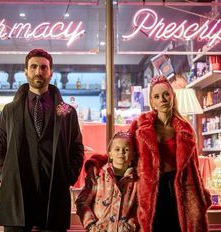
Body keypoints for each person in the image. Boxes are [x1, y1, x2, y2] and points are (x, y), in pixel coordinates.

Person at [85, 75, 212, 232]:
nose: (162, 99)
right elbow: (124, 147)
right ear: (152, 101)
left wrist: (200, 196)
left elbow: (193, 167)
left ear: (172, 96)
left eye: (166, 94)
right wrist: (100, 161)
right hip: (149, 190)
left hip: (178, 190)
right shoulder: (140, 125)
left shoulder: (186, 130)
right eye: (157, 96)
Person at [0, 49, 84, 232]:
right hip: (18, 195)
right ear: (25, 71)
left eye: (43, 67)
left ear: (51, 72)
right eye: (33, 67)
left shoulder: (66, 111)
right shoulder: (10, 110)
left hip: (54, 194)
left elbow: (77, 148)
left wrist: (69, 176)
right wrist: (5, 175)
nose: (38, 71)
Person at [75, 131, 139, 232]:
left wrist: (130, 226)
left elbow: (139, 209)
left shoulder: (137, 181)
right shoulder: (98, 175)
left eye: (126, 150)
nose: (121, 152)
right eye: (117, 149)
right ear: (110, 153)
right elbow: (82, 202)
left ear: (133, 155)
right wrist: (91, 225)